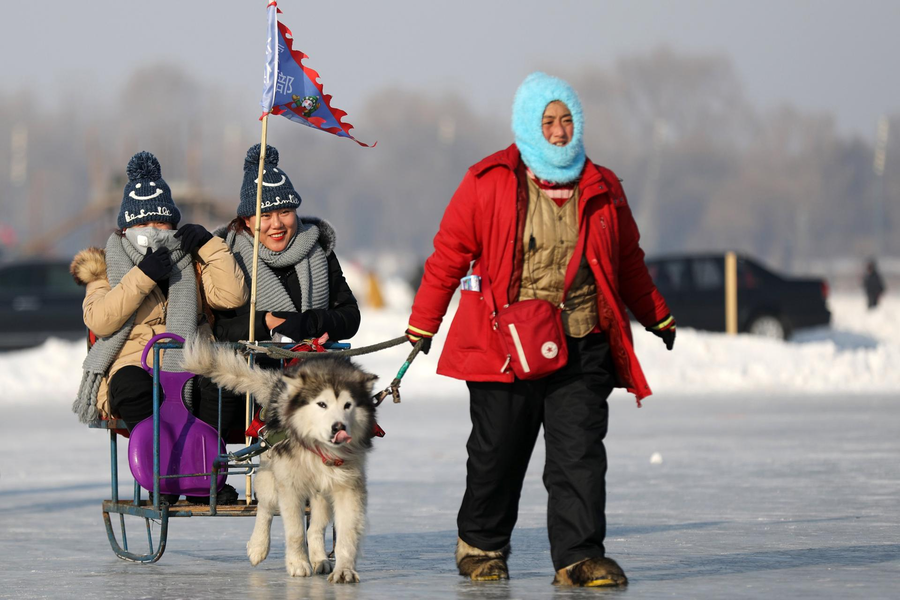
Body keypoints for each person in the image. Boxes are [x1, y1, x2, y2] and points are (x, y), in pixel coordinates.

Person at [405, 73, 676, 588]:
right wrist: (423, 324)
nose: (558, 131)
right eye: (548, 121)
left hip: (582, 342)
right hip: (503, 346)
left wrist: (655, 312)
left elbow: (628, 260)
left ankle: (578, 557)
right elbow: (447, 257)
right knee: (496, 451)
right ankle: (480, 545)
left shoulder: (602, 185)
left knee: (579, 456)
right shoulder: (490, 181)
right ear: (528, 125)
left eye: (566, 120)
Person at [71, 151, 249, 503]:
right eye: (143, 224)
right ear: (125, 228)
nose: (153, 231)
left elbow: (232, 296)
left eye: (162, 222)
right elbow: (100, 318)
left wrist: (209, 247)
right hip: (135, 365)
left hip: (192, 360)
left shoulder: (192, 262)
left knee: (222, 386)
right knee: (135, 388)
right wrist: (143, 276)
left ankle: (204, 477)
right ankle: (162, 477)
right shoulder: (104, 267)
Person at [194, 144, 361, 435]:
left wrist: (308, 323)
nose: (276, 224)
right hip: (246, 380)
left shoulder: (318, 252)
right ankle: (211, 477)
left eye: (285, 212)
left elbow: (349, 316)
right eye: (265, 215)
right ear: (247, 221)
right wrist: (265, 323)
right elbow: (215, 326)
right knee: (218, 384)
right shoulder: (225, 256)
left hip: (308, 376)